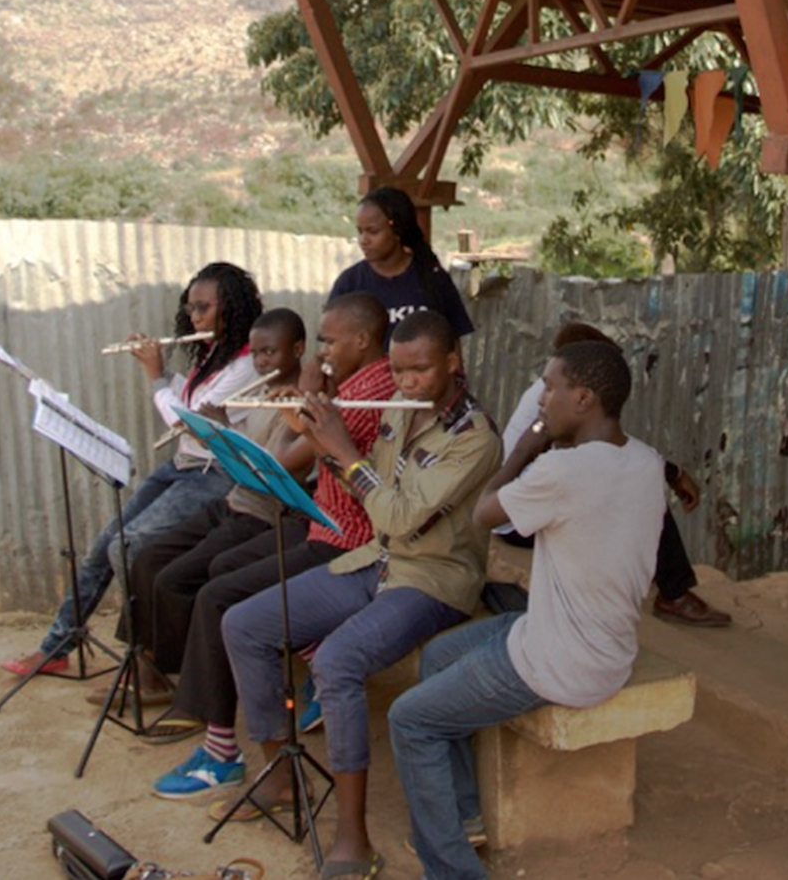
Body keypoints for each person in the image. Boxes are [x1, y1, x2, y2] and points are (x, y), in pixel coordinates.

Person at [215, 311, 500, 880]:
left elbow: (398, 513)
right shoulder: (398, 406)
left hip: (434, 579)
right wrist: (318, 438)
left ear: (452, 362)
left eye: (419, 370)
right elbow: (370, 492)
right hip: (378, 559)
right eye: (398, 371)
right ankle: (279, 772)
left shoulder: (477, 438)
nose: (407, 383)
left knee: (340, 660)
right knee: (244, 624)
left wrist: (345, 449)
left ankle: (353, 836)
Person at [389, 338, 667, 880]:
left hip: (560, 661)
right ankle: (465, 812)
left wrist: (523, 450)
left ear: (583, 398)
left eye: (550, 387)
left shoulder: (560, 473)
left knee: (410, 720)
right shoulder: (645, 461)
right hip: (602, 642)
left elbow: (484, 515)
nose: (540, 400)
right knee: (440, 656)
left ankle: (451, 872)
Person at [149, 293, 396, 779]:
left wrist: (304, 398)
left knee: (221, 598)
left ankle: (222, 750)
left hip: (345, 540)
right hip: (323, 524)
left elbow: (287, 465)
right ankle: (285, 671)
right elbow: (306, 457)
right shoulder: (350, 386)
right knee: (221, 576)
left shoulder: (361, 396)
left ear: (363, 340)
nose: (321, 351)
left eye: (327, 340)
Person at [1, 262, 263, 676]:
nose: (194, 317)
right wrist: (168, 375)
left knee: (130, 547)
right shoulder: (216, 354)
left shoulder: (249, 363)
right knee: (103, 545)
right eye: (190, 308)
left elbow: (187, 420)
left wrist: (155, 375)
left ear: (231, 308)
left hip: (216, 473)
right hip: (184, 463)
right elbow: (192, 399)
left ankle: (148, 664)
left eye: (203, 308)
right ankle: (57, 646)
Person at [99, 308, 308, 710]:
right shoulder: (262, 393)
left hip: (261, 515)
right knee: (143, 556)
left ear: (297, 350)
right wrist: (222, 426)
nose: (262, 363)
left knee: (177, 579)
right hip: (233, 505)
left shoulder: (298, 403)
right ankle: (145, 665)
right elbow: (248, 456)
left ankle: (178, 675)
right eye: (258, 354)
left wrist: (221, 435)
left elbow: (270, 472)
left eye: (271, 353)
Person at [495, 322, 728, 626]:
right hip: (517, 520)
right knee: (641, 495)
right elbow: (613, 454)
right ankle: (674, 594)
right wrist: (671, 473)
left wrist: (671, 471)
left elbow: (614, 450)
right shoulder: (558, 399)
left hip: (524, 507)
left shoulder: (556, 391)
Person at [328, 186, 475, 339]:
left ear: (397, 230)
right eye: (360, 231)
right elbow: (330, 346)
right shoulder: (350, 284)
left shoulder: (433, 278)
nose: (363, 240)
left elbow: (452, 347)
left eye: (372, 231)